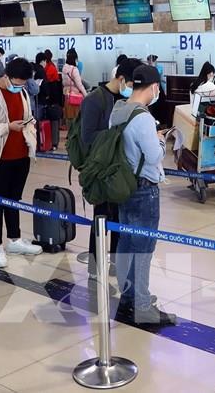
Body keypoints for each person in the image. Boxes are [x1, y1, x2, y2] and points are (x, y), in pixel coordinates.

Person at [109, 64, 176, 325]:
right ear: (154, 87)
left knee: (126, 243)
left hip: (123, 184)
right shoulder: (144, 117)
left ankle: (129, 297)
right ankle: (142, 305)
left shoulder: (118, 109)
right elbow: (155, 155)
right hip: (144, 188)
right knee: (144, 248)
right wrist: (160, 138)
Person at [0, 57, 41, 267]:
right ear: (5, 76)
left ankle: (14, 239)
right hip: (0, 159)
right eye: (16, 83)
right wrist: (7, 127)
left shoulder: (21, 92)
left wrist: (29, 127)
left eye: (23, 84)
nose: (19, 88)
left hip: (21, 156)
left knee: (14, 199)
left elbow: (29, 116)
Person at [79, 58, 139, 279]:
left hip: (120, 169)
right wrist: (116, 134)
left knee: (119, 218)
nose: (133, 90)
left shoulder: (127, 100)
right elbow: (87, 137)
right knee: (101, 217)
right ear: (122, 79)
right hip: (102, 171)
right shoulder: (95, 100)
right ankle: (95, 266)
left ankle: (116, 262)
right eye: (132, 85)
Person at [35, 54, 64, 150]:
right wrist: (47, 96)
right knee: (52, 121)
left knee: (38, 122)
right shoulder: (44, 70)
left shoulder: (35, 71)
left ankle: (40, 143)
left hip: (37, 101)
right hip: (47, 101)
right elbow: (45, 87)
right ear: (43, 61)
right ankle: (51, 143)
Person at [62, 48, 87, 128]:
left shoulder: (64, 68)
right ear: (75, 58)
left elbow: (63, 82)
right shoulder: (74, 69)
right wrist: (86, 95)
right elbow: (79, 85)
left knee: (69, 117)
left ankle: (70, 135)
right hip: (75, 97)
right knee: (76, 118)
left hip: (67, 95)